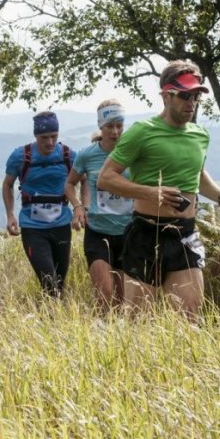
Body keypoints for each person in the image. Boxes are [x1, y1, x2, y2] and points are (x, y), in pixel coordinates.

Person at [98, 60, 220, 317]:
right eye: (184, 95)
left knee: (190, 317)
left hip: (185, 233)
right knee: (136, 321)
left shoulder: (199, 134)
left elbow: (197, 175)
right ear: (166, 95)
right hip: (146, 233)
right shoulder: (142, 132)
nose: (191, 103)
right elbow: (106, 178)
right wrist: (151, 192)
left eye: (195, 96)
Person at [65, 99, 133, 310]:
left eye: (119, 125)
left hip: (128, 232)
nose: (115, 132)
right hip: (97, 231)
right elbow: (69, 184)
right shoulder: (88, 155)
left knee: (124, 302)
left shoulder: (134, 153)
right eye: (109, 126)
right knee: (104, 297)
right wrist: (77, 207)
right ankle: (100, 335)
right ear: (100, 126)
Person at [2, 111, 74, 297]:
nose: (50, 142)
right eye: (44, 138)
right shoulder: (21, 156)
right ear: (36, 136)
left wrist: (81, 207)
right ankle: (54, 317)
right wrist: (10, 214)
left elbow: (81, 180)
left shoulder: (68, 155)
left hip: (61, 225)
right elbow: (8, 184)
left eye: (54, 137)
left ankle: (55, 319)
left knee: (59, 280)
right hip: (33, 228)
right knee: (48, 280)